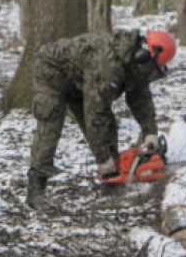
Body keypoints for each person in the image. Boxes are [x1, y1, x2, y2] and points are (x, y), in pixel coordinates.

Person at [26, 28, 176, 209]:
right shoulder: (108, 65)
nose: (148, 72)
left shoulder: (136, 65)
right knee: (51, 123)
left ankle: (112, 179)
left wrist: (150, 132)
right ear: (142, 55)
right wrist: (103, 158)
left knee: (108, 125)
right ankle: (35, 189)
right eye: (149, 68)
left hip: (81, 77)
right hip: (52, 71)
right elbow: (96, 114)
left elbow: (140, 98)